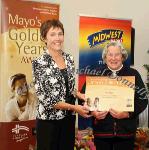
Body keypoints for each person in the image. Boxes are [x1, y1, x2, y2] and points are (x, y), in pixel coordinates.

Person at [32, 19, 90, 150]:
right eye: (52, 34)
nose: (57, 38)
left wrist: (81, 95)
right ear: (44, 38)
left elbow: (68, 87)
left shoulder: (69, 59)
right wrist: (75, 108)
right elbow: (47, 100)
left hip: (68, 120)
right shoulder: (39, 63)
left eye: (60, 33)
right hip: (48, 121)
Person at [81, 41, 148, 150]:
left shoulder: (133, 74)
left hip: (126, 133)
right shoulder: (96, 74)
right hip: (102, 132)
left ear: (122, 56)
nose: (113, 58)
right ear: (105, 57)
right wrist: (93, 112)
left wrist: (127, 113)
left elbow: (143, 99)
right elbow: (83, 98)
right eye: (110, 55)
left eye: (117, 54)